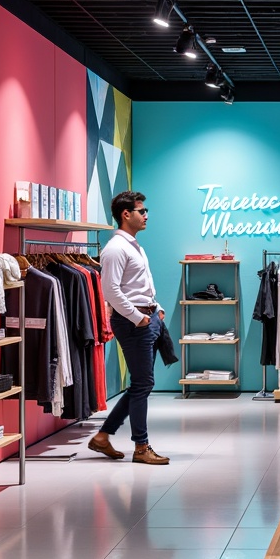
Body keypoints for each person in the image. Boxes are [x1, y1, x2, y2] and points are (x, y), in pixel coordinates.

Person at [89, 191, 170, 465]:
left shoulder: (135, 246)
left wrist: (155, 307)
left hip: (147, 319)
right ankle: (141, 447)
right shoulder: (115, 249)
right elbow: (110, 291)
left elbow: (140, 283)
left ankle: (103, 436)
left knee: (141, 383)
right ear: (126, 214)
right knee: (144, 383)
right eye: (142, 211)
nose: (146, 215)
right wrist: (138, 317)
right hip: (133, 323)